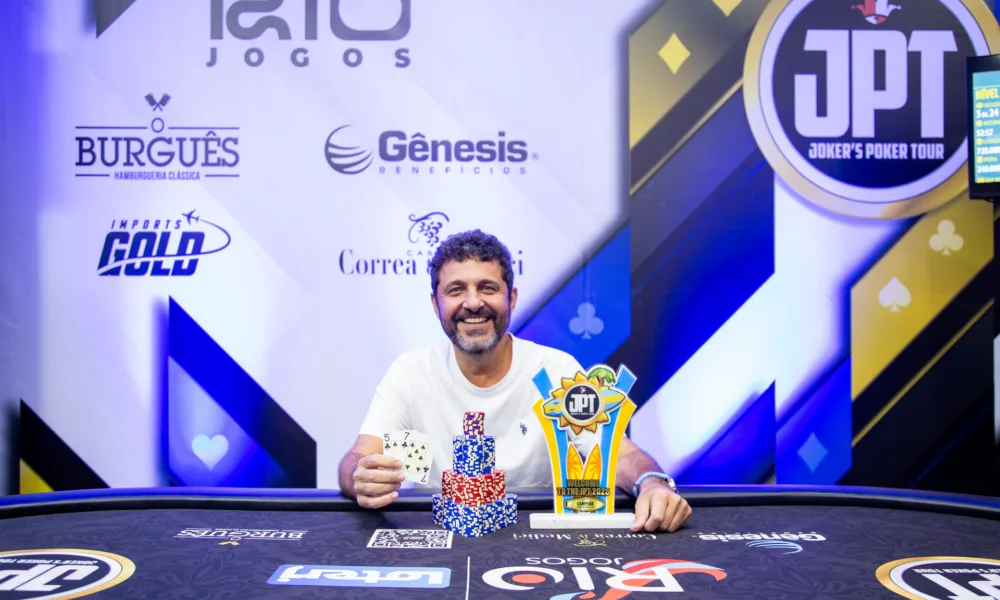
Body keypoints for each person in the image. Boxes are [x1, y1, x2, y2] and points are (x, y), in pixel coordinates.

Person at [338, 229, 692, 533]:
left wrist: (652, 484)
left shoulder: (555, 371)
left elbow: (619, 456)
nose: (473, 303)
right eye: (456, 290)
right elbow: (359, 458)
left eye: (488, 288)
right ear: (435, 303)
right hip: (438, 538)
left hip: (540, 540)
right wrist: (360, 478)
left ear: (512, 297)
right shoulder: (412, 373)